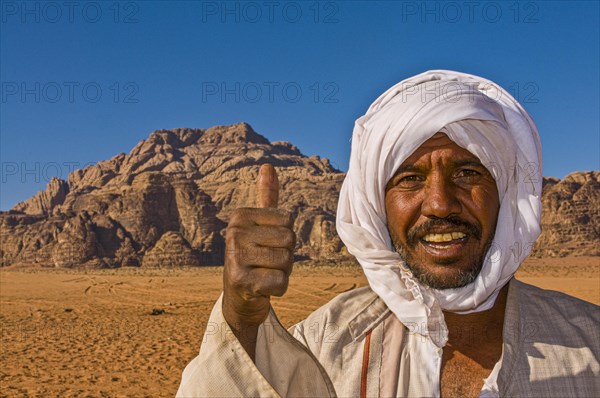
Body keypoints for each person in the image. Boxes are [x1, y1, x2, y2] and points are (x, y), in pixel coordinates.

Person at [177, 70, 600, 397]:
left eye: (468, 173)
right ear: (376, 206)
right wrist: (242, 316)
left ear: (504, 196)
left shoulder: (589, 341)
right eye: (410, 179)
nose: (439, 204)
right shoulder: (325, 345)